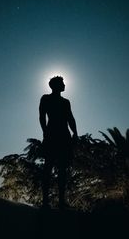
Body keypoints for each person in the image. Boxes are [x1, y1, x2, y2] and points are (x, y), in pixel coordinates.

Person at [39, 76, 78, 209]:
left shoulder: (66, 102)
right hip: (52, 135)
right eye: (62, 83)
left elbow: (70, 118)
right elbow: (42, 116)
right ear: (55, 86)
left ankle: (61, 201)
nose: (64, 85)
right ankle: (45, 201)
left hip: (64, 136)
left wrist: (75, 133)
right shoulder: (46, 98)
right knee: (48, 168)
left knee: (62, 170)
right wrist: (45, 132)